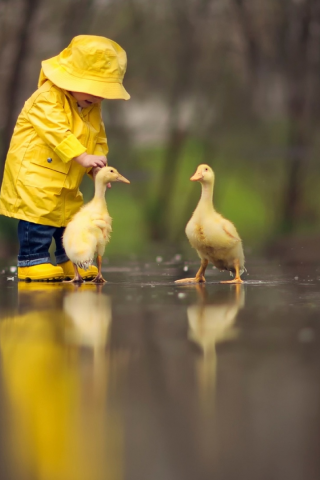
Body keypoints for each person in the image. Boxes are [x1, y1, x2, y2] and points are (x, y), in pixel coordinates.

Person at [0, 35, 130, 281]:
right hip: (35, 176)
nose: (98, 97)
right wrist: (81, 156)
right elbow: (56, 130)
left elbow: (98, 138)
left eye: (104, 92)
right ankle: (32, 261)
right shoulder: (46, 98)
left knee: (70, 221)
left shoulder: (90, 107)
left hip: (67, 178)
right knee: (38, 218)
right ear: (70, 78)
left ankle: (71, 259)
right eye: (94, 89)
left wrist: (97, 167)